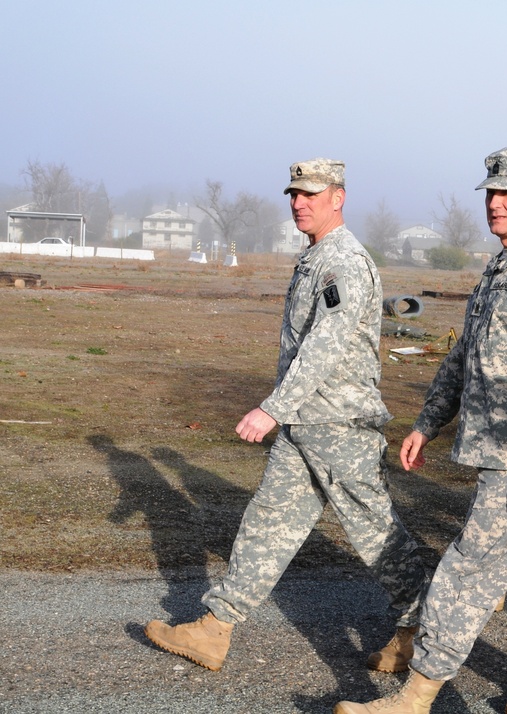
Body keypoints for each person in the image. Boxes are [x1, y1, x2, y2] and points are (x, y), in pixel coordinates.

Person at [335, 145, 507, 714]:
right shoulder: (502, 265)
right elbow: (464, 359)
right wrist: (428, 422)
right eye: (491, 194)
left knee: (464, 572)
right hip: (498, 451)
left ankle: (416, 696)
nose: (496, 204)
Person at [144, 158, 429, 673]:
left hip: (340, 425)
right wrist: (286, 412)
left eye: (311, 195)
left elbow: (325, 346)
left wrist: (270, 408)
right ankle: (215, 628)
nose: (298, 203)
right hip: (305, 424)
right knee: (266, 524)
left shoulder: (344, 261)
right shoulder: (316, 256)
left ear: (338, 198)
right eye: (293, 195)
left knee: (376, 535)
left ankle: (423, 632)